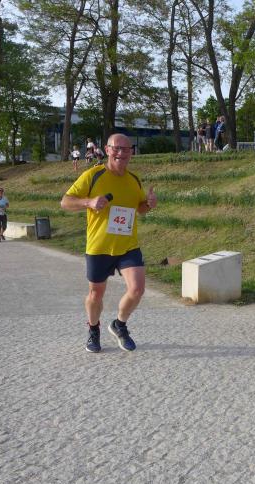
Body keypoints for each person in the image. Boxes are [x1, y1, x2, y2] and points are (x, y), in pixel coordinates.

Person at [60, 133, 158, 353]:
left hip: (128, 245)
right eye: (116, 148)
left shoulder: (134, 179)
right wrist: (89, 202)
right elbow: (65, 202)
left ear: (131, 152)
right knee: (96, 294)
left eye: (126, 149)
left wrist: (149, 204)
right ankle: (93, 329)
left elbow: (139, 208)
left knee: (137, 289)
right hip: (99, 246)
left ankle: (119, 325)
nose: (121, 153)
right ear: (106, 150)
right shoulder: (93, 175)